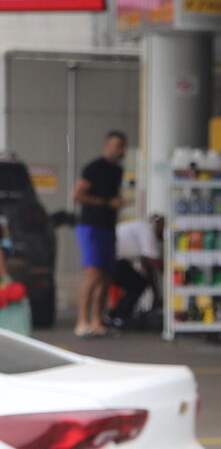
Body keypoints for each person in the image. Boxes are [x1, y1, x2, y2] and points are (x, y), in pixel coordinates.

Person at [71, 130, 127, 338]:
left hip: (109, 228)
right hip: (91, 227)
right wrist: (106, 203)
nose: (120, 150)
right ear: (106, 146)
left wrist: (117, 203)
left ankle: (97, 321)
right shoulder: (94, 168)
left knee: (105, 276)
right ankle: (82, 322)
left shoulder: (118, 171)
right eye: (116, 146)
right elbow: (77, 195)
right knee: (93, 274)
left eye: (122, 146)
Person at [108, 212, 162, 331]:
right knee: (137, 285)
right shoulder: (147, 229)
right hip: (114, 259)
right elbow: (152, 258)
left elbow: (148, 266)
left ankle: (116, 314)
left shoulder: (139, 226)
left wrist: (156, 292)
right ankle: (119, 317)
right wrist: (166, 271)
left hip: (112, 257)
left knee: (136, 283)